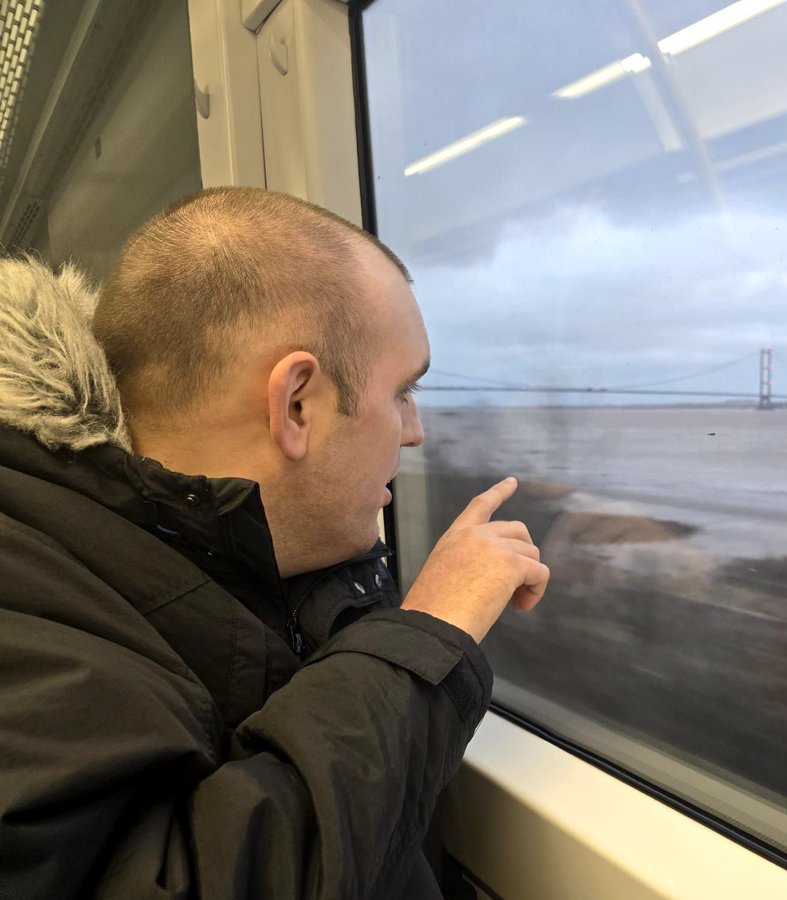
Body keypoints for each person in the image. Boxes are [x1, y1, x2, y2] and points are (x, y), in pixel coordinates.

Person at [0, 187, 549, 898]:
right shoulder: (24, 611)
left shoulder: (268, 552)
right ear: (296, 405)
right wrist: (432, 631)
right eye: (402, 394)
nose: (415, 432)